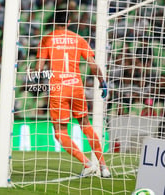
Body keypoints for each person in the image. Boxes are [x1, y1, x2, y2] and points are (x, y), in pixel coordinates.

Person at [35, 11, 110, 178]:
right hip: (76, 87)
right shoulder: (79, 39)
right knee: (86, 125)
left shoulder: (47, 39)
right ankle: (104, 167)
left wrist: (36, 82)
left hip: (58, 89)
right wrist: (102, 82)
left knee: (60, 132)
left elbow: (39, 68)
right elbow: (93, 65)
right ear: (68, 22)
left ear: (54, 22)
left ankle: (87, 163)